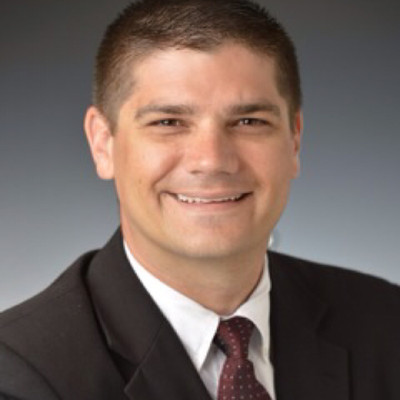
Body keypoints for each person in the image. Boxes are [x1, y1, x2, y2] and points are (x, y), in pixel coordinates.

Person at [0, 0, 399, 399]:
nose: (212, 161)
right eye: (168, 122)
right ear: (103, 143)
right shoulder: (19, 376)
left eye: (249, 121)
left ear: (294, 140)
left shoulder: (385, 322)